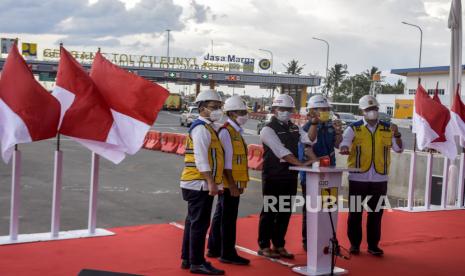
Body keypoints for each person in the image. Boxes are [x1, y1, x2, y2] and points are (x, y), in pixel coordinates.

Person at [339, 95, 403, 257]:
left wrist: (397, 135)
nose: (372, 112)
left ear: (378, 109)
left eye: (374, 109)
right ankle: (354, 244)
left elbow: (399, 149)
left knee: (376, 214)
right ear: (362, 111)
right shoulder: (353, 128)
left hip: (379, 179)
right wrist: (345, 148)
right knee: (355, 213)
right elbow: (345, 143)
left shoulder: (388, 128)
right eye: (368, 109)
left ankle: (373, 245)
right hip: (358, 178)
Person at [257, 94, 317, 259]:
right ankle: (263, 245)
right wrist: (302, 164)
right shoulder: (267, 129)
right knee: (270, 210)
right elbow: (281, 152)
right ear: (275, 110)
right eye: (282, 109)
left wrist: (314, 123)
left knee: (284, 211)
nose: (285, 112)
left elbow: (309, 141)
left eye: (288, 109)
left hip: (290, 176)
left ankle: (279, 244)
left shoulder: (295, 128)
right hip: (273, 175)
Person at [180, 89, 225, 275]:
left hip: (195, 183)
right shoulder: (200, 129)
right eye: (214, 107)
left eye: (219, 107)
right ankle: (197, 262)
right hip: (199, 183)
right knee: (199, 224)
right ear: (202, 108)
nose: (217, 111)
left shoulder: (208, 128)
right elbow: (201, 159)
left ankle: (187, 258)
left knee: (192, 222)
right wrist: (211, 183)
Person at [207, 95, 250, 266]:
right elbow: (226, 163)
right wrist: (232, 185)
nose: (244, 115)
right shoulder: (227, 132)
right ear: (231, 114)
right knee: (228, 219)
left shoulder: (235, 132)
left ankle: (214, 247)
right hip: (229, 183)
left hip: (232, 182)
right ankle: (228, 253)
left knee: (220, 216)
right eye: (241, 112)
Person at [298, 94, 343, 251]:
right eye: (322, 109)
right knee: (311, 209)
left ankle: (327, 239)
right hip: (311, 175)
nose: (325, 112)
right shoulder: (306, 128)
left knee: (328, 207)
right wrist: (318, 162)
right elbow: (307, 147)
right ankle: (308, 241)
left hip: (330, 174)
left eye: (327, 109)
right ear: (312, 111)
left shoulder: (330, 126)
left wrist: (338, 133)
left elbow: (337, 145)